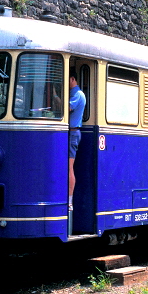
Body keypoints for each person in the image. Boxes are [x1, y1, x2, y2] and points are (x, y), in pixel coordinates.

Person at [68, 68, 86, 218]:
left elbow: (66, 108)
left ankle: (69, 201)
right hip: (71, 132)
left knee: (69, 167)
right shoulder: (73, 94)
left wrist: (55, 96)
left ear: (72, 79)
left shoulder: (78, 95)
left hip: (73, 132)